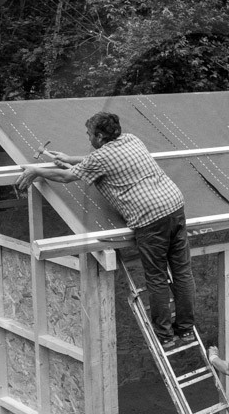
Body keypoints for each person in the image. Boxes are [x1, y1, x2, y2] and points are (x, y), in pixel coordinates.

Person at [16, 112, 195, 351]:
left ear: (100, 136)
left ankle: (165, 335)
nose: (88, 138)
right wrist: (70, 158)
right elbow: (96, 161)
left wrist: (36, 171)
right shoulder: (131, 139)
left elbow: (66, 177)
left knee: (157, 278)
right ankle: (185, 329)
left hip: (151, 219)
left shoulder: (100, 158)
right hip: (174, 205)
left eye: (90, 134)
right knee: (182, 272)